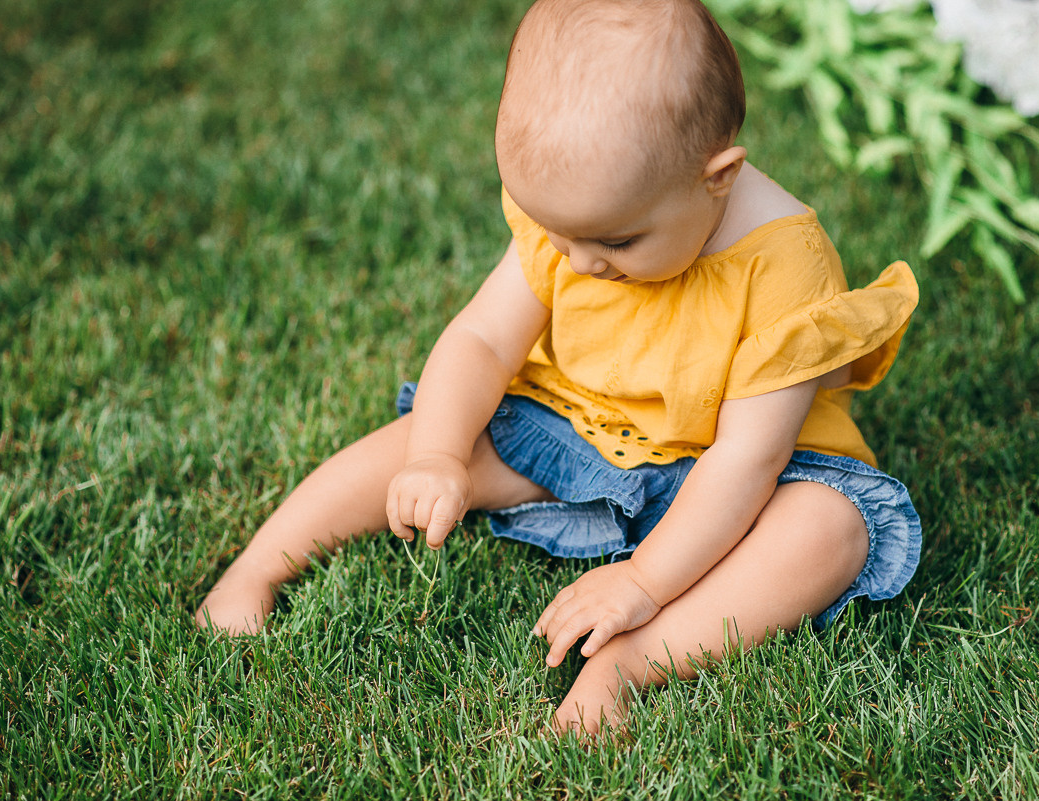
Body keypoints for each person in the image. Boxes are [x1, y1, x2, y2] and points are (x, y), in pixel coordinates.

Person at [195, 0, 922, 736]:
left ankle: (632, 662)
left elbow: (746, 457)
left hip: (735, 476)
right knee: (430, 436)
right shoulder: (582, 217)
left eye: (616, 241)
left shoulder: (784, 268)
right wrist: (439, 455)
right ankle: (258, 566)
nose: (578, 263)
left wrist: (643, 581)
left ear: (718, 177)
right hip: (581, 426)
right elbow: (481, 337)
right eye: (558, 235)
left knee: (829, 529)